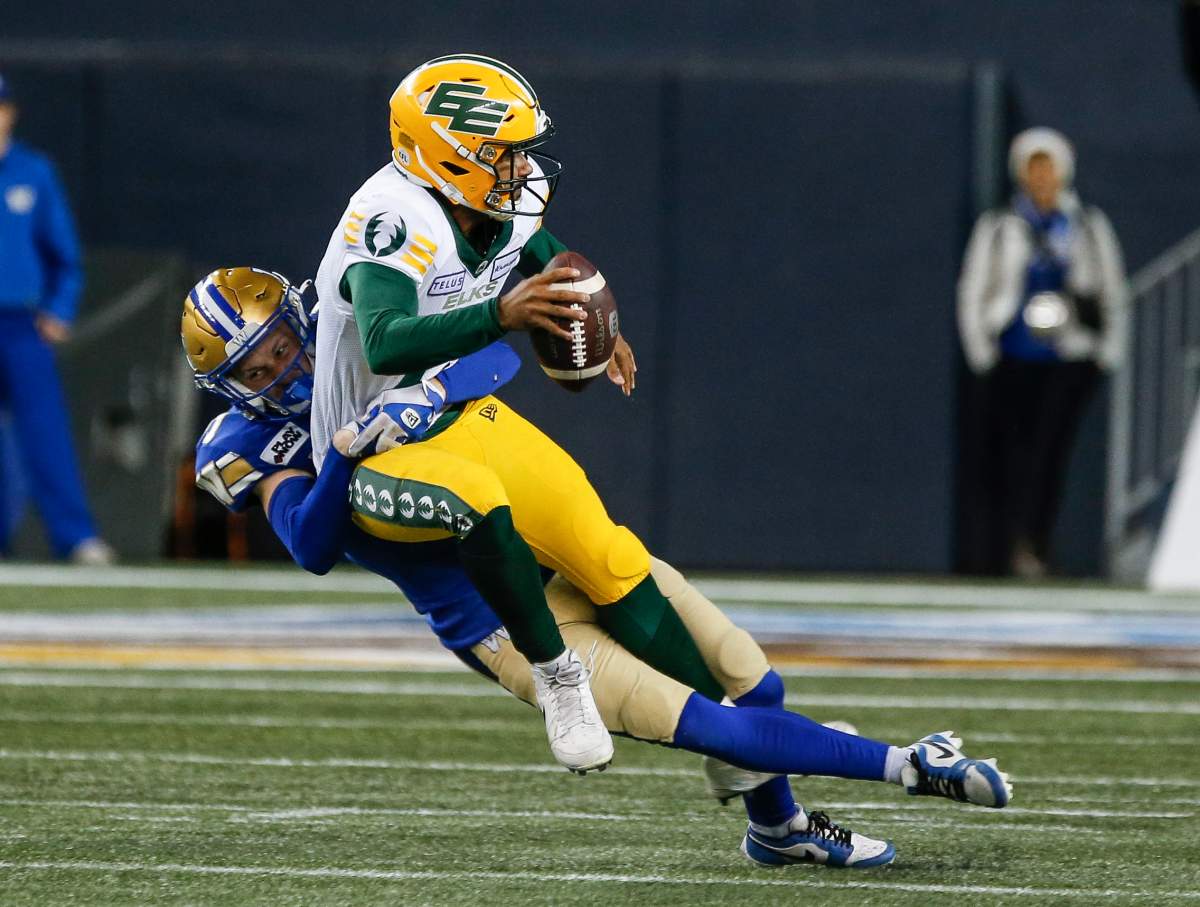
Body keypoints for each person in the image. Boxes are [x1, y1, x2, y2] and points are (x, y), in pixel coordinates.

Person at [185, 266, 1012, 870]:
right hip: (500, 622)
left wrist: (427, 397)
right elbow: (311, 543)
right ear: (233, 388)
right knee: (715, 724)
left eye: (287, 346)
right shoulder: (241, 445)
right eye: (258, 371)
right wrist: (344, 448)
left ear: (305, 319)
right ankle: (911, 763)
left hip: (559, 548)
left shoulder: (364, 338)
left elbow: (493, 357)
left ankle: (777, 828)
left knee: (752, 682)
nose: (286, 371)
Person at [308, 54, 722, 774]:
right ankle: (560, 676)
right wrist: (501, 313)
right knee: (481, 501)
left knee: (608, 554)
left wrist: (597, 316)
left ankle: (727, 720)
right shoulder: (390, 221)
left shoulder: (508, 193)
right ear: (447, 154)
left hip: (454, 410)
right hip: (369, 445)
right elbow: (383, 341)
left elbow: (540, 246)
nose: (523, 167)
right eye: (504, 152)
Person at [957, 127, 1126, 578]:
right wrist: (982, 352)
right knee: (1009, 454)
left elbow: (1111, 290)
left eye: (1049, 168)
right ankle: (1002, 546)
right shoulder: (1001, 225)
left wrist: (1106, 351)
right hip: (1012, 356)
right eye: (1035, 169)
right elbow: (973, 289)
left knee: (1049, 455)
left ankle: (1036, 544)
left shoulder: (1085, 225)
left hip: (1067, 358)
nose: (1043, 178)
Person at [0, 72, 114, 565]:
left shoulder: (32, 172)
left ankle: (75, 536)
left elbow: (64, 255)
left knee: (45, 434)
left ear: (10, 112)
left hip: (21, 324)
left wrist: (59, 309)